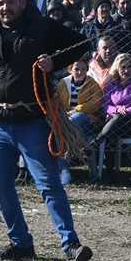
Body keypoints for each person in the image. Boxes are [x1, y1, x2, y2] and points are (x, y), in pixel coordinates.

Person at [0, 0, 93, 261]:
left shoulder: (41, 27)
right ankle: (21, 244)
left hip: (33, 121)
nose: (5, 8)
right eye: (0, 3)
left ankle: (71, 245)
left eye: (10, 2)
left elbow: (83, 43)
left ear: (21, 2)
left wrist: (54, 63)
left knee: (48, 185)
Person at [94, 53, 131, 183]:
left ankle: (97, 140)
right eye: (122, 67)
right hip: (114, 125)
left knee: (117, 120)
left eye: (129, 67)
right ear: (117, 69)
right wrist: (116, 110)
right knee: (112, 134)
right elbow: (105, 106)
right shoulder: (110, 84)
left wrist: (124, 111)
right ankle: (109, 173)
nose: (126, 70)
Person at [54, 56, 103, 184]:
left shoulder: (93, 84)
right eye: (76, 69)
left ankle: (63, 168)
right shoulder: (62, 84)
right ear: (70, 70)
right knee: (63, 128)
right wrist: (62, 113)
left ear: (87, 69)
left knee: (71, 121)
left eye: (83, 69)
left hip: (87, 121)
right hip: (65, 120)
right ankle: (65, 169)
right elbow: (56, 101)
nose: (80, 72)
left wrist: (77, 109)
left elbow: (96, 103)